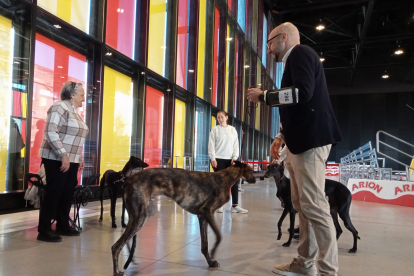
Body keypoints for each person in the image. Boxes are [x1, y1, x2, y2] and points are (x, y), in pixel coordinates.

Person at [247, 22, 342, 276]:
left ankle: (328, 271)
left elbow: (301, 93)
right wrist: (281, 136)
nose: (268, 49)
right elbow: (299, 104)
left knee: (315, 206)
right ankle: (304, 262)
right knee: (304, 205)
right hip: (301, 142)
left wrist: (265, 96)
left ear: (283, 38)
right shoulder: (297, 60)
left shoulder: (299, 53)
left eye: (269, 43)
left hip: (310, 143)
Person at [37, 81, 89, 242]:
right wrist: (63, 155)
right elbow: (51, 132)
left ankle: (62, 224)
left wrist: (77, 158)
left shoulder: (74, 111)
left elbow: (73, 138)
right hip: (56, 158)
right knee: (54, 192)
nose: (83, 98)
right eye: (81, 95)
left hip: (70, 159)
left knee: (66, 193)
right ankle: (44, 230)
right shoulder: (59, 107)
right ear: (72, 95)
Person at [208, 110, 248, 214]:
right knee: (220, 182)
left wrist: (235, 157)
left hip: (231, 160)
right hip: (218, 159)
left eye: (221, 117)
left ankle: (235, 206)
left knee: (234, 181)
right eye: (218, 118)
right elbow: (211, 145)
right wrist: (213, 159)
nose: (220, 119)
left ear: (226, 117)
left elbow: (236, 144)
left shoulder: (232, 130)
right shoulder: (215, 130)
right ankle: (219, 205)